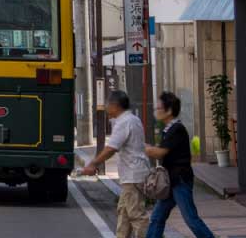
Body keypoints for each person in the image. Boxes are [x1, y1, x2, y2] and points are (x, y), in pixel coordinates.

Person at [146, 92, 217, 238]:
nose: (156, 110)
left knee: (191, 219)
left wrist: (142, 147)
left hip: (180, 181)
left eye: (159, 107)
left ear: (169, 110)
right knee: (157, 217)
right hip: (171, 181)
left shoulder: (176, 129)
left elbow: (160, 152)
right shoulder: (168, 129)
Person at [81, 90, 150, 238]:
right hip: (133, 174)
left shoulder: (124, 122)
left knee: (137, 215)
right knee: (124, 212)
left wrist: (93, 163)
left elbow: (111, 148)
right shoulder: (132, 119)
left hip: (133, 175)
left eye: (107, 104)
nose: (106, 107)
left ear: (115, 105)